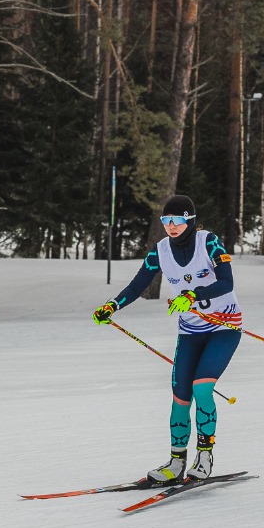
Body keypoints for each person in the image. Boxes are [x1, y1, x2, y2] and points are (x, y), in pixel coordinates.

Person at [91, 195, 242, 483]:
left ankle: (205, 455)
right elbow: (139, 283)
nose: (171, 227)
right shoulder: (160, 251)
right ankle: (175, 463)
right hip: (190, 332)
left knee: (202, 389)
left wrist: (193, 296)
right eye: (166, 221)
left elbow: (227, 282)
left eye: (177, 221)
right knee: (179, 399)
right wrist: (113, 305)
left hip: (224, 327)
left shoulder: (208, 241)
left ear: (190, 220)